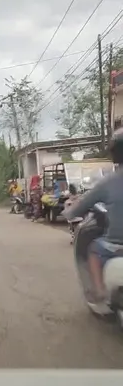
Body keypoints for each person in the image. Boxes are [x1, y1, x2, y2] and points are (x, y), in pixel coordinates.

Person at [64, 127, 123, 309]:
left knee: (93, 250)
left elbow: (79, 208)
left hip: (116, 245)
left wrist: (69, 212)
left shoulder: (108, 182)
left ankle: (99, 291)